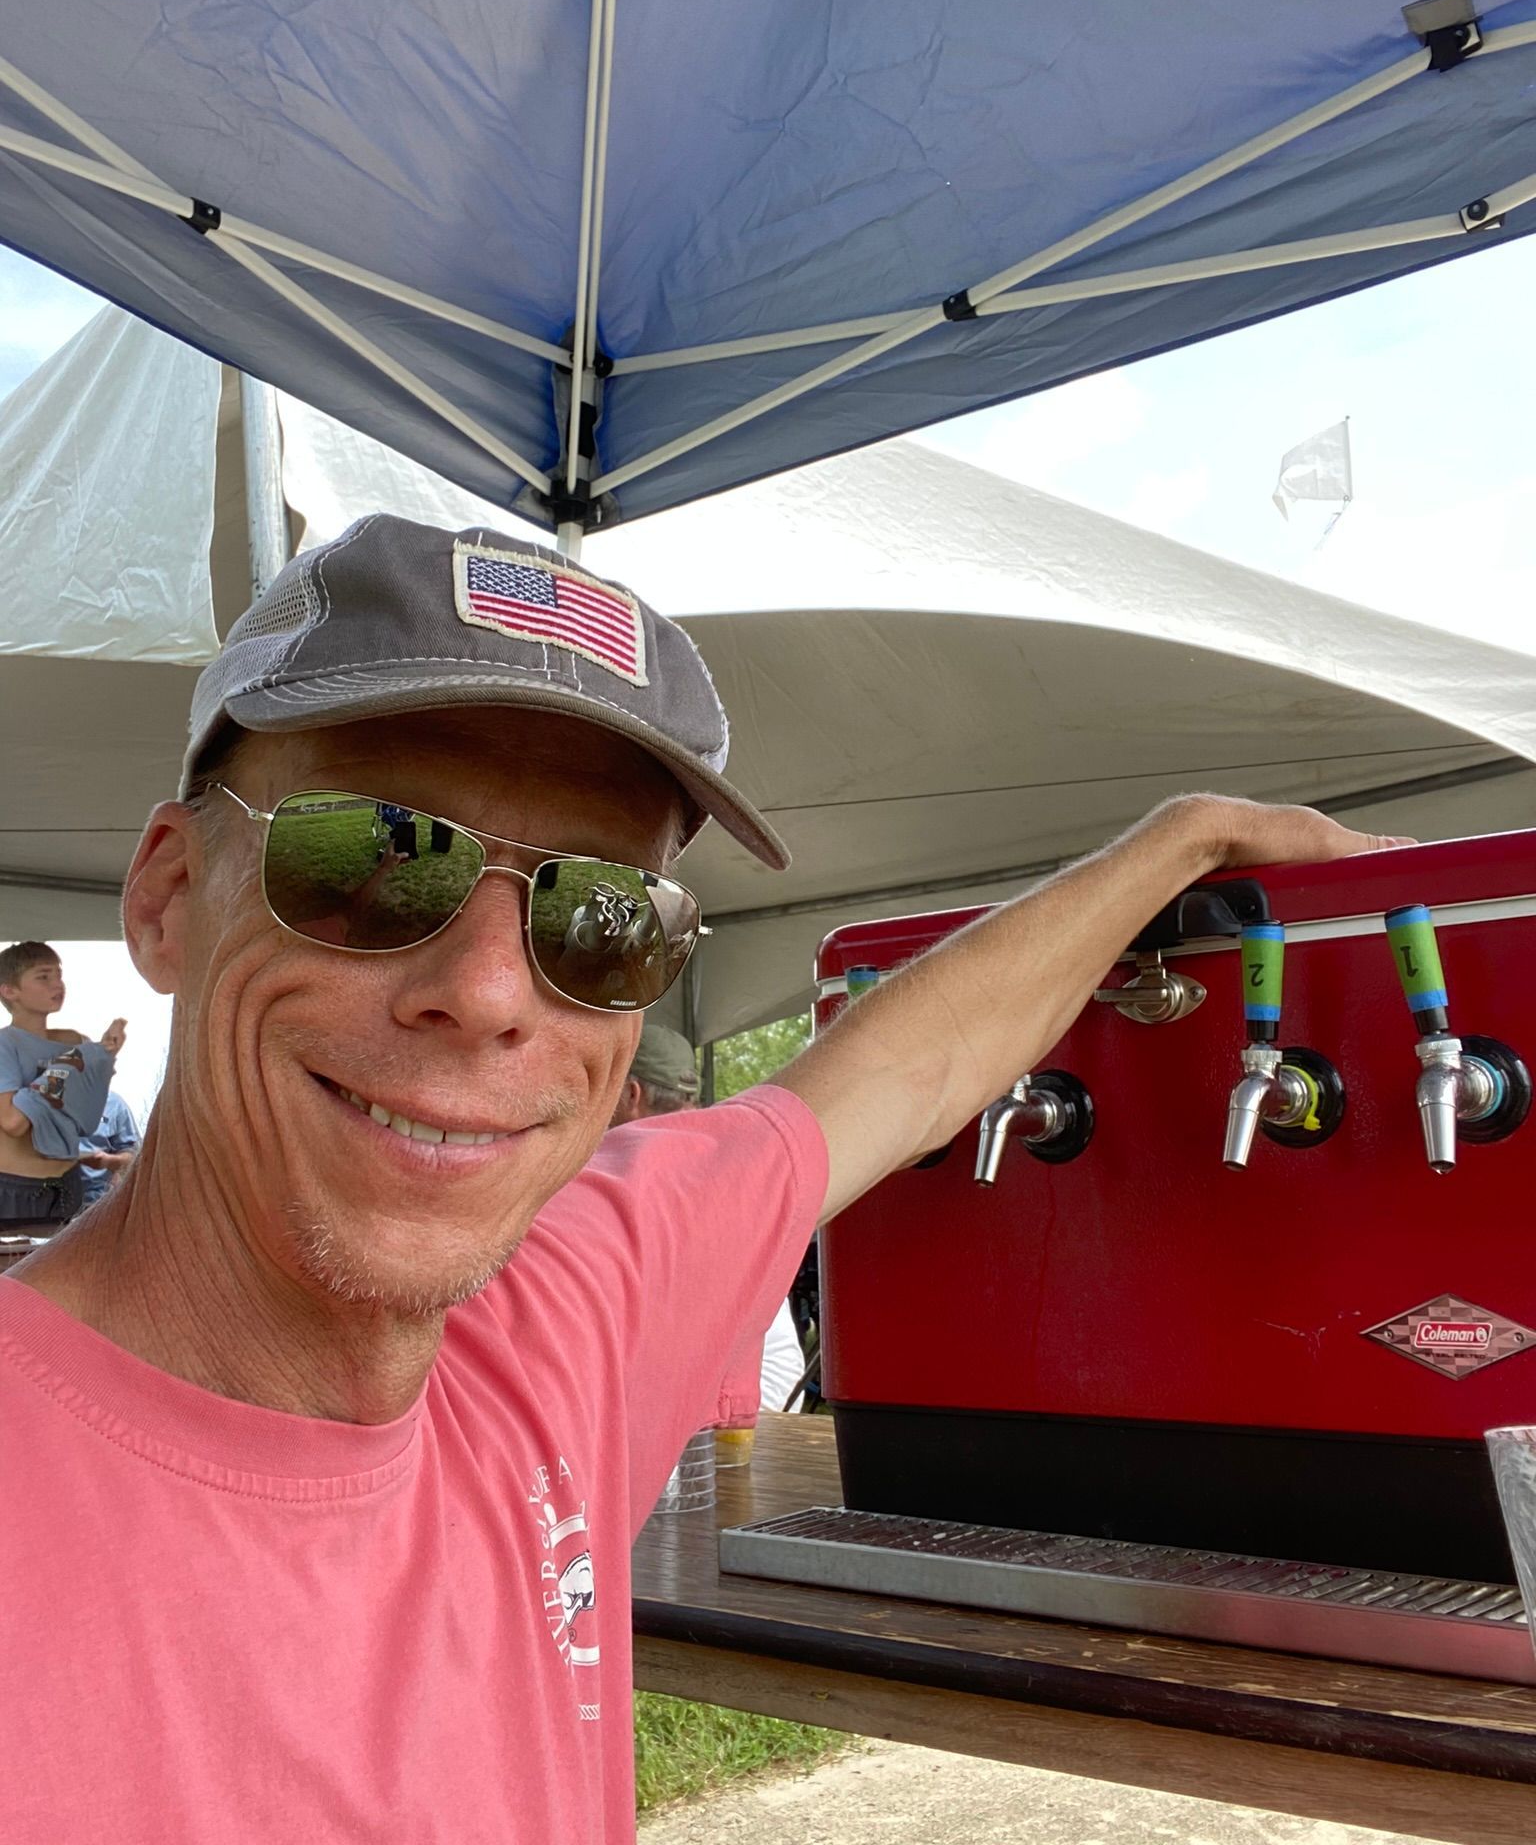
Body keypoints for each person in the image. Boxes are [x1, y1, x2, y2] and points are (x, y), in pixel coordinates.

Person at [0, 515, 1399, 1844]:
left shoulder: (559, 1327)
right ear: (170, 898)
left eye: (600, 919)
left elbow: (897, 1073)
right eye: (373, 859)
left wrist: (1186, 838)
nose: (489, 993)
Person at [610, 1023, 806, 1415]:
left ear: (630, 1094)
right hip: (760, 1410)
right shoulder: (724, 1165)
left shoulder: (628, 1175)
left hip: (699, 1432)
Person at [0, 942, 126, 1227]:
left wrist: (104, 1054)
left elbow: (83, 1108)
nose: (57, 984)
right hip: (17, 1191)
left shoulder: (73, 1041)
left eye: (58, 975)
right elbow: (12, 1122)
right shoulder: (5, 1044)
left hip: (68, 1184)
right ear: (10, 991)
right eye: (43, 977)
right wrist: (66, 1068)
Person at [78, 1089, 143, 1207]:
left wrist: (108, 1161)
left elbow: (135, 1157)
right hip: (42, 1207)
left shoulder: (115, 1105)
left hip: (95, 1207)